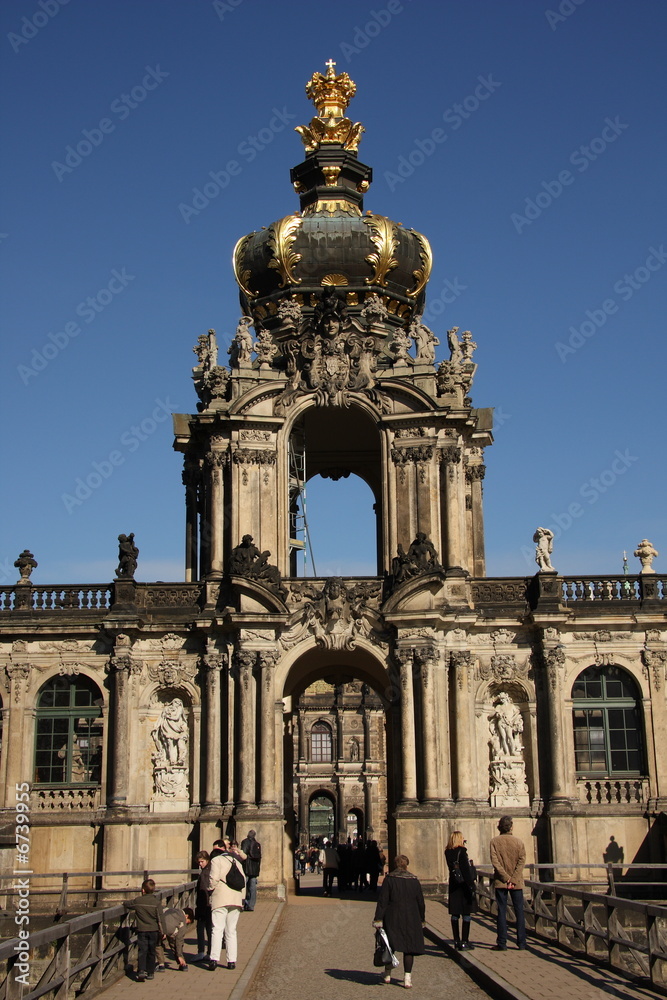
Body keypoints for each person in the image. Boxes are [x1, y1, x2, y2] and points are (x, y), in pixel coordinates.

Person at [373, 854, 425, 989]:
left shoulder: (390, 879)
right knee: (409, 948)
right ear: (407, 865)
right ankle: (407, 978)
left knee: (390, 946)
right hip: (411, 916)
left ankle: (388, 974)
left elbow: (383, 901)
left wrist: (378, 918)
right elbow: (421, 901)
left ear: (395, 865)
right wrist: (422, 918)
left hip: (393, 916)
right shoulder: (414, 880)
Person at [490, 815, 527, 951]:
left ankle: (502, 943)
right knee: (519, 912)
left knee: (502, 911)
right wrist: (514, 879)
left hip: (501, 882)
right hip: (516, 883)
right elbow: (521, 861)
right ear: (511, 827)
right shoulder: (518, 842)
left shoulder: (494, 842)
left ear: (500, 827)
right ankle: (522, 943)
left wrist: (506, 879)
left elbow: (496, 863)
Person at [208, 841, 246, 971]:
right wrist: (242, 899)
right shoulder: (237, 862)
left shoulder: (216, 861)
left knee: (217, 929)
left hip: (220, 898)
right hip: (235, 898)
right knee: (231, 931)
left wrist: (210, 890)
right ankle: (231, 961)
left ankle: (214, 959)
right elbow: (243, 882)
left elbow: (213, 879)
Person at [124, 878, 164, 981]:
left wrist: (124, 903)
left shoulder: (138, 901)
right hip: (154, 930)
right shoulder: (156, 902)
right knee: (152, 951)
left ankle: (141, 970)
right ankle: (150, 972)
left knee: (142, 950)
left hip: (142, 930)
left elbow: (129, 904)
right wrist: (163, 931)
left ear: (143, 890)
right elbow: (160, 918)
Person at [444, 831, 477, 950]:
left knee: (455, 913)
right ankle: (464, 941)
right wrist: (472, 885)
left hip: (454, 884)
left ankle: (456, 941)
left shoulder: (447, 851)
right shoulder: (462, 852)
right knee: (466, 914)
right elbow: (466, 871)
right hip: (463, 885)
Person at [160, 906, 195, 970]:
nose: (186, 924)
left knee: (158, 945)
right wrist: (179, 955)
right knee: (174, 942)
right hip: (168, 931)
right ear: (186, 916)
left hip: (156, 926)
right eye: (188, 922)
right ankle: (181, 962)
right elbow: (179, 941)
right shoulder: (182, 921)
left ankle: (160, 964)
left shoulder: (171, 910)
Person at [193, 850, 212, 962]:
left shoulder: (205, 873)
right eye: (199, 862)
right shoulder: (209, 869)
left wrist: (202, 907)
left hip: (204, 905)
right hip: (208, 905)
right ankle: (209, 952)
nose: (200, 864)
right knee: (209, 929)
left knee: (202, 928)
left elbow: (203, 890)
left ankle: (202, 952)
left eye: (202, 862)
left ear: (207, 860)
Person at [240, 828, 261, 911]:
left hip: (246, 867)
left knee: (244, 886)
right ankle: (251, 905)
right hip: (255, 869)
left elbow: (243, 855)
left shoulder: (245, 842)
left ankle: (244, 903)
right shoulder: (257, 844)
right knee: (253, 887)